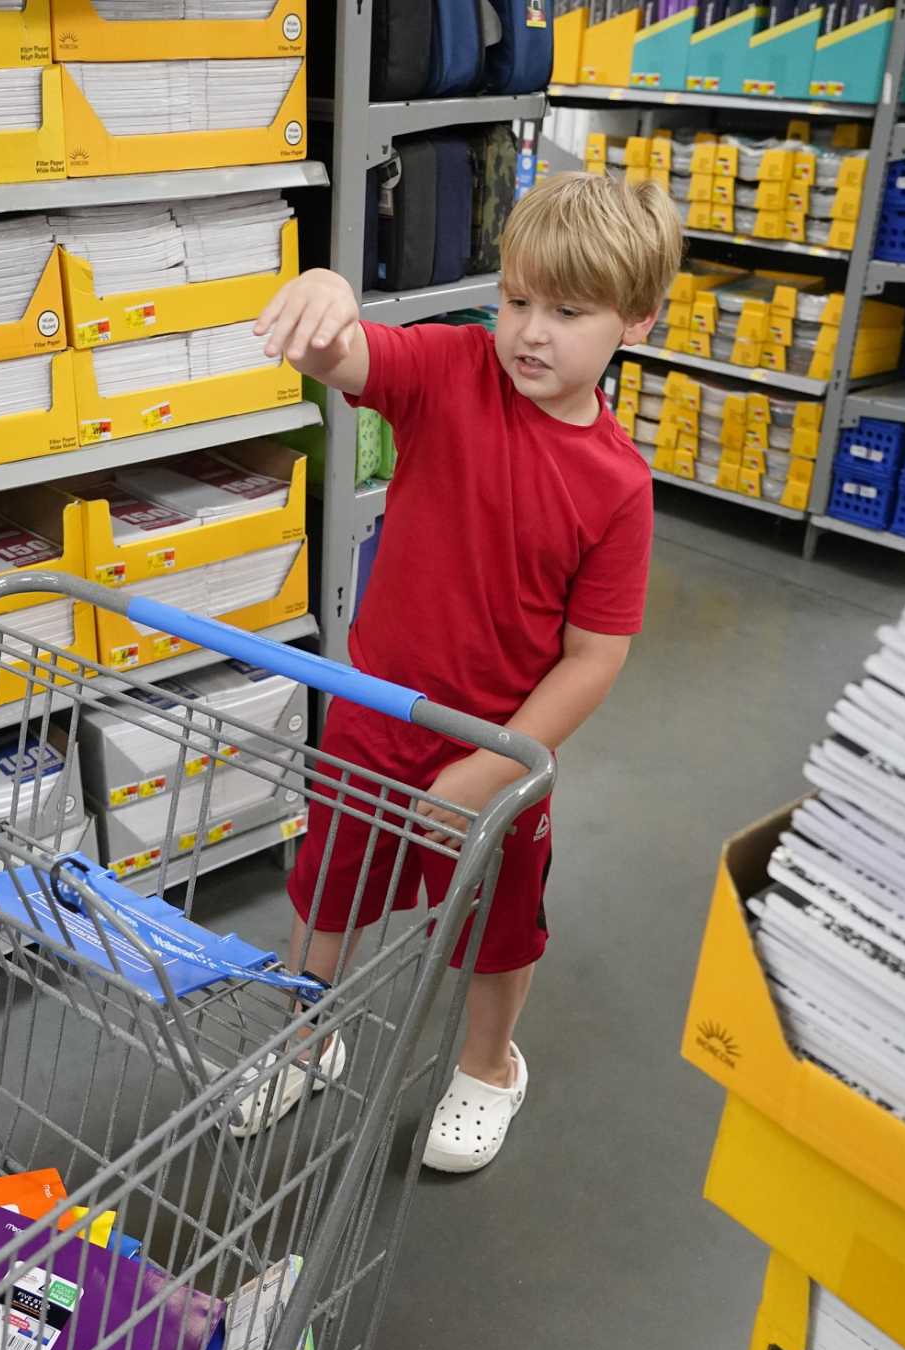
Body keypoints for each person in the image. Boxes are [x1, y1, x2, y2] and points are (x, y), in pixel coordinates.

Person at [236, 171, 684, 1171]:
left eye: (567, 311)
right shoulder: (445, 370)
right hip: (372, 713)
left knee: (493, 927)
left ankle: (488, 1067)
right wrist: (323, 296)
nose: (529, 330)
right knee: (327, 890)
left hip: (498, 753)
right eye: (516, 299)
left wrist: (487, 771)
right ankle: (308, 1031)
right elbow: (344, 351)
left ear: (636, 322)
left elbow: (593, 658)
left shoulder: (616, 487)